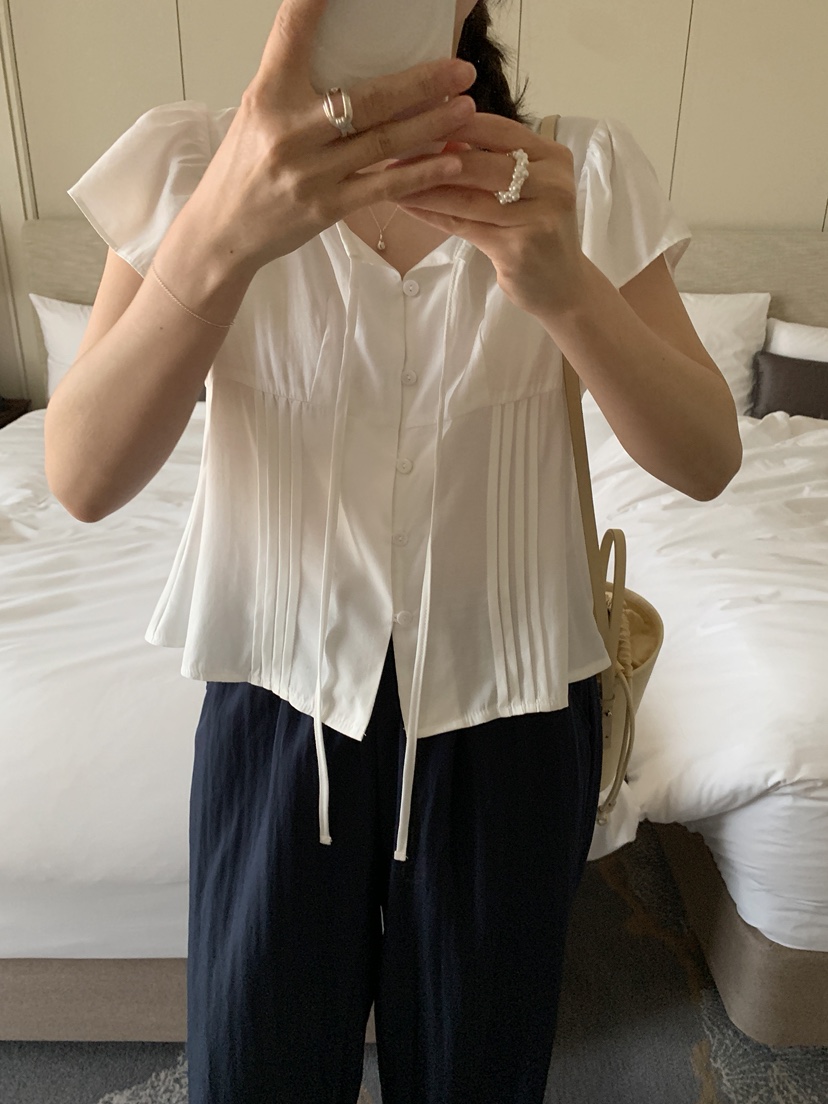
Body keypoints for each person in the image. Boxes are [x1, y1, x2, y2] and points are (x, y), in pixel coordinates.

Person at [46, 0, 742, 1100]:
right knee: (256, 1076)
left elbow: (706, 459)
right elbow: (82, 477)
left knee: (479, 1076)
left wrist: (566, 286)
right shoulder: (193, 165)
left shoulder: (579, 172)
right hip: (276, 706)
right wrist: (223, 236)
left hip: (514, 714)